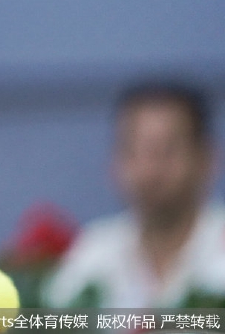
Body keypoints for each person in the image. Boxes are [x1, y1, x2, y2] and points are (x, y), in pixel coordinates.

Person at [44, 81, 225, 308]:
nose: (150, 170)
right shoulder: (95, 250)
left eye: (166, 151)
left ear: (207, 159)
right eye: (134, 151)